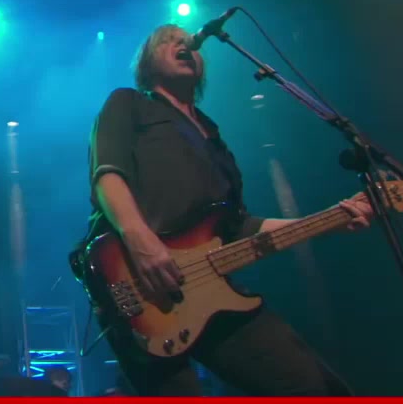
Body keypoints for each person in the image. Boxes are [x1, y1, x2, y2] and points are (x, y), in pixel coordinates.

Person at [84, 23, 372, 396]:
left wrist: (330, 221)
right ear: (147, 63)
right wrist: (140, 239)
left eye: (187, 41)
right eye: (168, 41)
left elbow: (238, 226)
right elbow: (107, 173)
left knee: (313, 387)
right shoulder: (129, 103)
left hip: (208, 287)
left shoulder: (214, 138)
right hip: (134, 278)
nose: (183, 43)